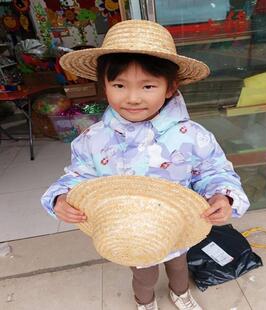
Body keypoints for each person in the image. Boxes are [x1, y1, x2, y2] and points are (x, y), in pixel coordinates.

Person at [41, 20, 250, 310]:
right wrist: (61, 197)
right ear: (104, 86)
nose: (133, 98)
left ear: (169, 88)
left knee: (179, 266)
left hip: (176, 228)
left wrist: (222, 195)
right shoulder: (93, 139)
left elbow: (214, 171)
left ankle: (180, 294)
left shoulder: (192, 136)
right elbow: (79, 176)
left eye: (148, 85)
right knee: (144, 274)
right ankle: (145, 301)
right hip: (129, 231)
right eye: (119, 85)